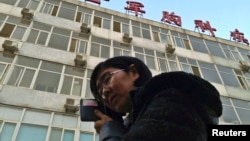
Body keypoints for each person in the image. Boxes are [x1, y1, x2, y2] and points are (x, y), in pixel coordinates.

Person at [90, 56, 222, 141]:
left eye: (107, 79)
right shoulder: (136, 120)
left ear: (133, 72)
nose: (105, 92)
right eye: (100, 92)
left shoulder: (171, 97)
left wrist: (109, 130)